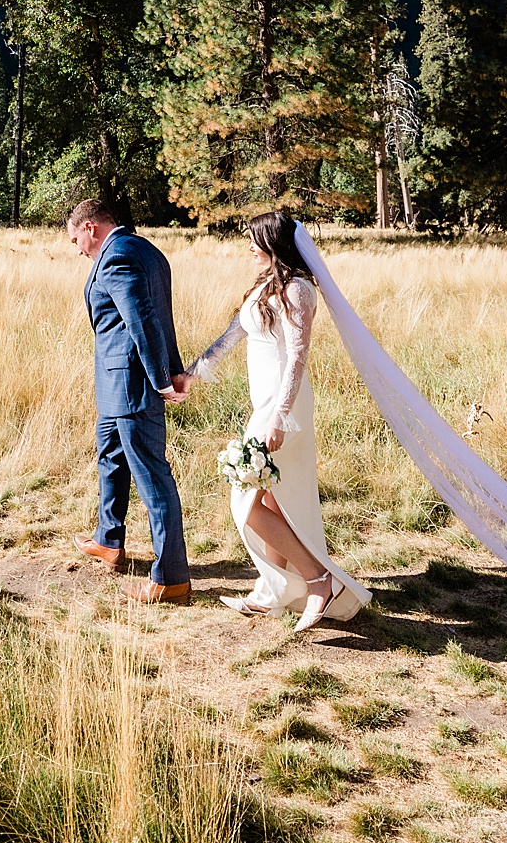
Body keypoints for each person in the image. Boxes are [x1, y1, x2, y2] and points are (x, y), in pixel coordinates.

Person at [185, 209, 371, 632]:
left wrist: (280, 418)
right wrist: (190, 374)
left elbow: (297, 360)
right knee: (270, 500)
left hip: (284, 411)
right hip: (265, 405)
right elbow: (232, 335)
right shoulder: (265, 285)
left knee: (245, 499)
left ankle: (318, 579)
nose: (248, 246)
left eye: (255, 239)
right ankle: (272, 594)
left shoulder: (299, 290)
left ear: (275, 243)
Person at [68, 197, 192, 604]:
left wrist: (162, 379)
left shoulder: (116, 256)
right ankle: (109, 540)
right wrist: (172, 366)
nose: (79, 250)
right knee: (111, 460)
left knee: (153, 478)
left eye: (76, 241)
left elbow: (144, 320)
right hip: (114, 386)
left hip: (131, 386)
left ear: (91, 228)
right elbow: (160, 316)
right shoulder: (147, 249)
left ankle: (171, 577)